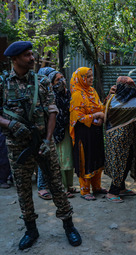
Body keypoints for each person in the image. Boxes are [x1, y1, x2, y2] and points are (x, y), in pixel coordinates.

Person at [0, 41, 81, 249]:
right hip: (17, 145)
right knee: (23, 189)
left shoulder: (42, 81)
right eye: (27, 55)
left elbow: (52, 112)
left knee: (56, 184)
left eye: (31, 54)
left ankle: (69, 225)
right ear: (14, 59)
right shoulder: (2, 82)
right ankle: (31, 229)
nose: (32, 58)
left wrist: (47, 139)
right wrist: (10, 124)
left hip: (43, 143)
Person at [36, 67, 78, 200]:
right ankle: (43, 187)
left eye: (62, 78)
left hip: (62, 130)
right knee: (47, 158)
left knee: (63, 159)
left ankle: (65, 186)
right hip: (48, 130)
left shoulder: (65, 93)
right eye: (57, 79)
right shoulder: (46, 94)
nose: (62, 81)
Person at [104, 76, 136, 202]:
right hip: (125, 140)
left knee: (119, 164)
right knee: (122, 165)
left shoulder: (111, 99)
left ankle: (121, 188)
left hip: (111, 138)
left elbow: (105, 115)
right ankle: (112, 192)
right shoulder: (134, 103)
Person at [69, 67, 107, 201]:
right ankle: (85, 190)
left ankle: (96, 187)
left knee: (97, 158)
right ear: (81, 78)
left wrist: (101, 118)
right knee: (85, 160)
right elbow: (77, 117)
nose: (91, 78)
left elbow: (101, 107)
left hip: (95, 131)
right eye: (88, 76)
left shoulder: (92, 91)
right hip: (84, 133)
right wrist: (96, 115)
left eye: (91, 76)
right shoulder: (77, 95)